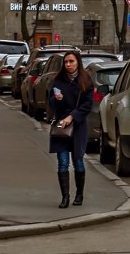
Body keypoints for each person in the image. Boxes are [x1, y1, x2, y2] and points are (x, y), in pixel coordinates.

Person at [48, 50, 93, 208]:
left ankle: (79, 195)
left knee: (78, 161)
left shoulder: (85, 80)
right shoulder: (58, 80)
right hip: (61, 126)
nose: (68, 65)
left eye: (71, 61)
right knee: (62, 162)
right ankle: (65, 197)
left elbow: (87, 104)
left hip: (78, 126)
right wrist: (56, 99)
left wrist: (72, 116)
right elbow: (50, 102)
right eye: (66, 62)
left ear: (78, 62)